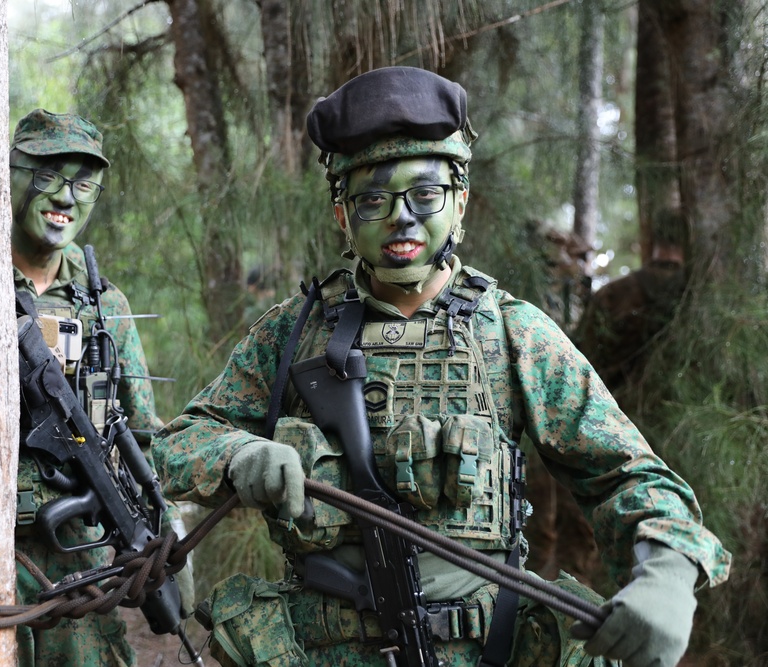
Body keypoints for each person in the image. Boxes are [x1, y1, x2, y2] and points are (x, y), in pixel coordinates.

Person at [153, 68, 730, 667]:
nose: (402, 217)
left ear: (460, 202)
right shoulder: (293, 330)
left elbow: (629, 477)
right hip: (312, 648)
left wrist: (666, 572)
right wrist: (239, 455)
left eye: (424, 194)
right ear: (342, 216)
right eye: (373, 198)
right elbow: (175, 445)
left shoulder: (512, 331)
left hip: (484, 647)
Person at [9, 109, 191, 666]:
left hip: (76, 565)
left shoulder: (104, 307)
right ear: (10, 175)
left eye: (83, 184)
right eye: (47, 176)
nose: (65, 198)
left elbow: (140, 428)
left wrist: (166, 523)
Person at [575, 208, 688, 400]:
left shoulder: (611, 294)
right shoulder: (699, 298)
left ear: (649, 241)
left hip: (611, 414)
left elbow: (581, 360)